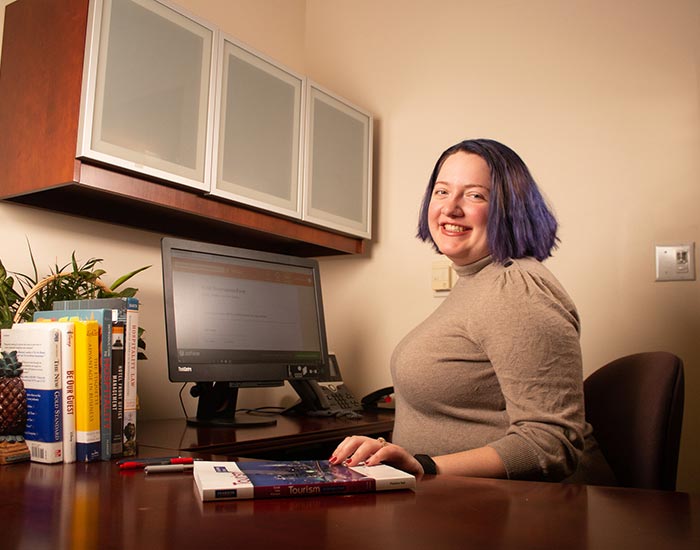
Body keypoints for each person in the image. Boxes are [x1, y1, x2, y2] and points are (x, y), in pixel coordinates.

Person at [330, 138, 615, 484]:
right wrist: (386, 453)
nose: (450, 208)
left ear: (510, 208)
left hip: (527, 514)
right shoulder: (476, 281)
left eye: (475, 195)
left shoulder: (516, 288)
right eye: (442, 191)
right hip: (459, 503)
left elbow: (552, 444)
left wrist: (424, 466)